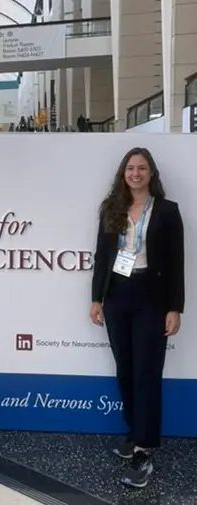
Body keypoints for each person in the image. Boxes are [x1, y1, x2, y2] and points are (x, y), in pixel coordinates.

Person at [90, 147, 185, 489]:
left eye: (142, 168)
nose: (135, 173)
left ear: (151, 173)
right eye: (130, 168)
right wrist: (96, 298)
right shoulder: (112, 208)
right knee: (126, 370)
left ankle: (145, 450)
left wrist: (174, 308)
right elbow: (103, 256)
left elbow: (176, 263)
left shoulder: (168, 212)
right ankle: (135, 431)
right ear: (123, 173)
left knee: (147, 372)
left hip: (151, 298)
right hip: (116, 295)